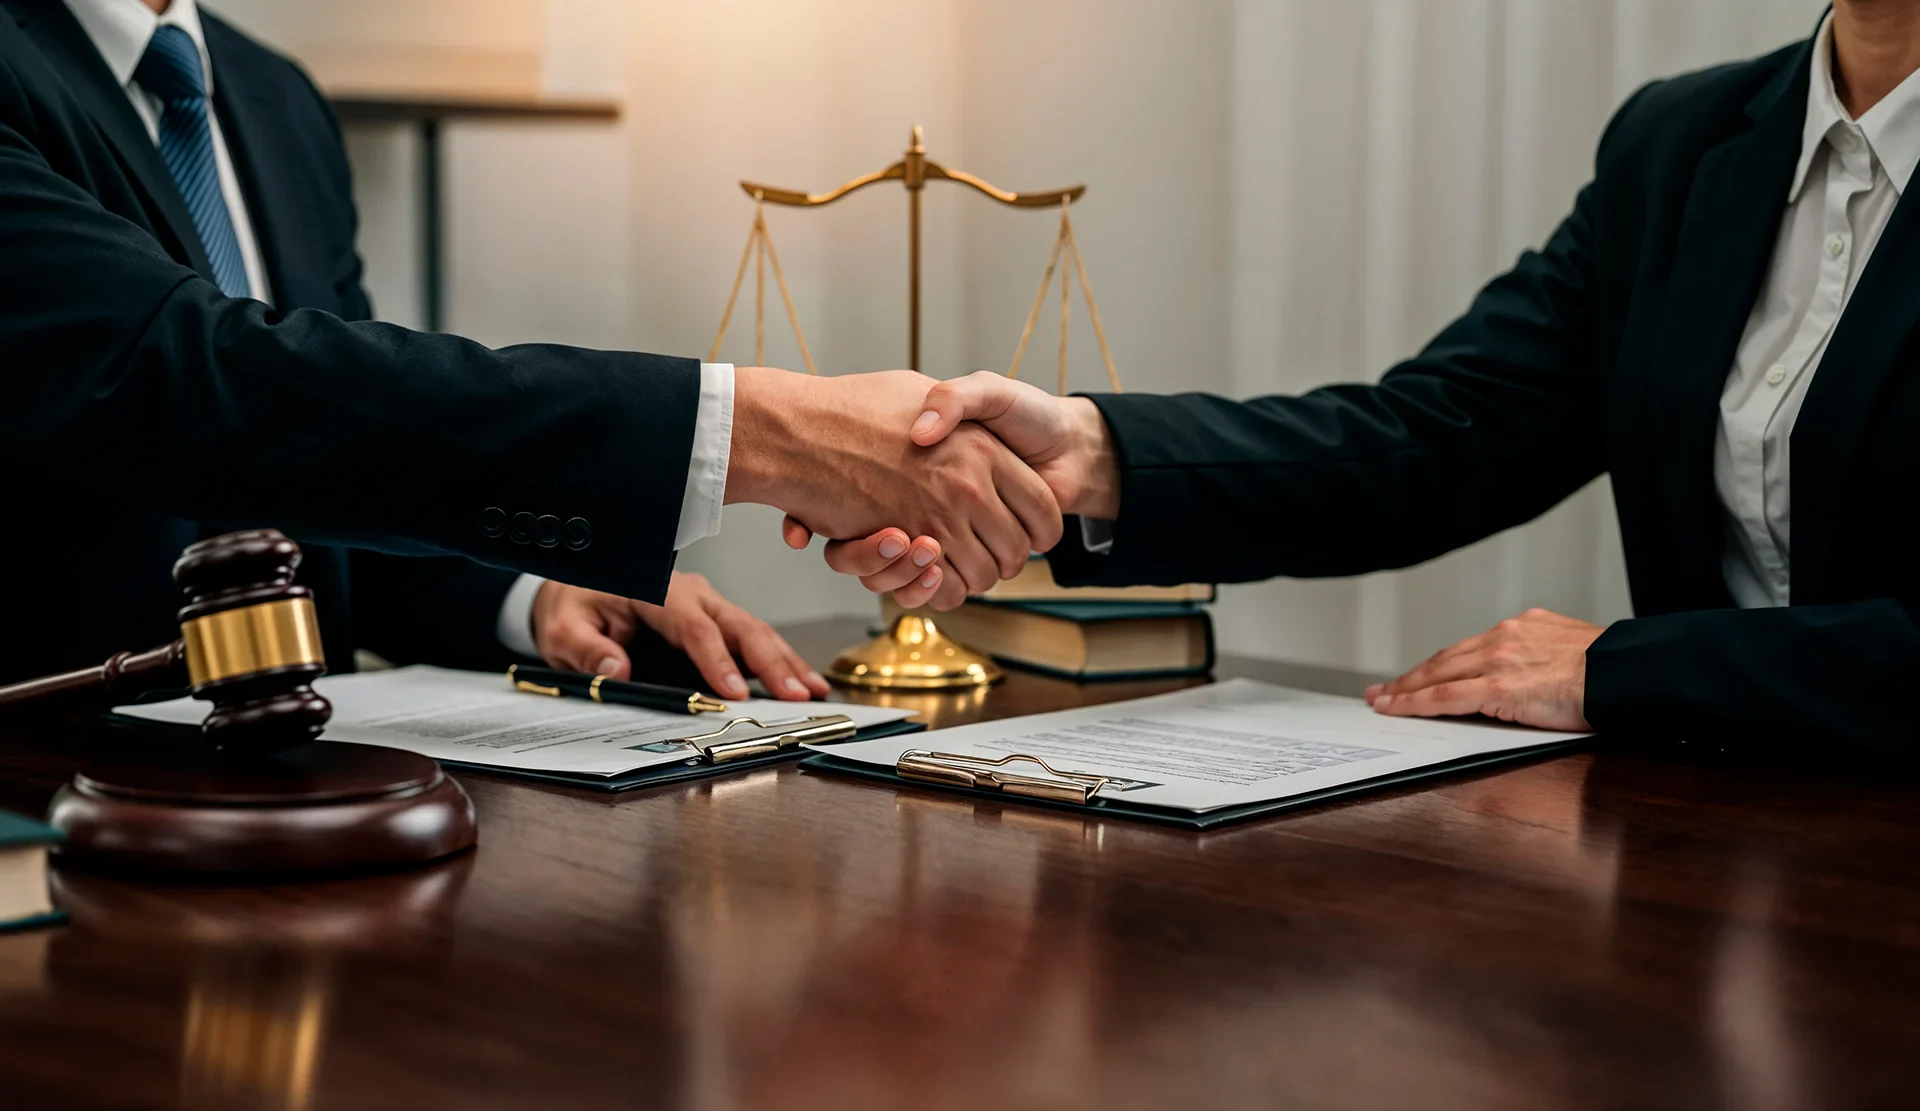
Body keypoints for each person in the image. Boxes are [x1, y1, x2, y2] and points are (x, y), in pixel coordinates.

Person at [821, 1, 1920, 750]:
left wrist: (1634, 670)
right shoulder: (1679, 144)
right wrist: (1095, 456)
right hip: (1709, 856)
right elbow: (1441, 436)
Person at [0, 0, 1029, 693]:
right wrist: (759, 431)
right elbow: (203, 384)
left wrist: (530, 595)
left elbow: (333, 476)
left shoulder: (276, 99)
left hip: (308, 820)